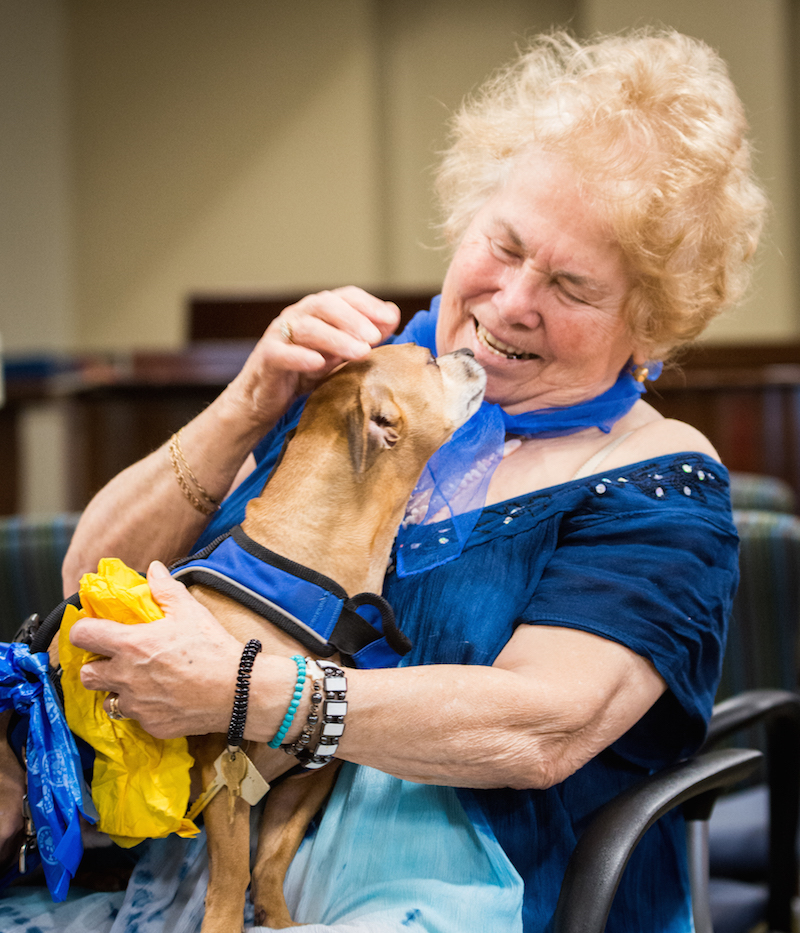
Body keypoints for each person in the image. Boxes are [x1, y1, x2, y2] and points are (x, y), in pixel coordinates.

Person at [1, 26, 766, 933]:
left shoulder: (656, 482)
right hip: (198, 877)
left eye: (571, 286)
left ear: (650, 326)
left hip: (474, 899)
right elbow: (89, 586)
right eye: (505, 244)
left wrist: (244, 688)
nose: (513, 300)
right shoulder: (358, 376)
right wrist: (249, 403)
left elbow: (538, 727)